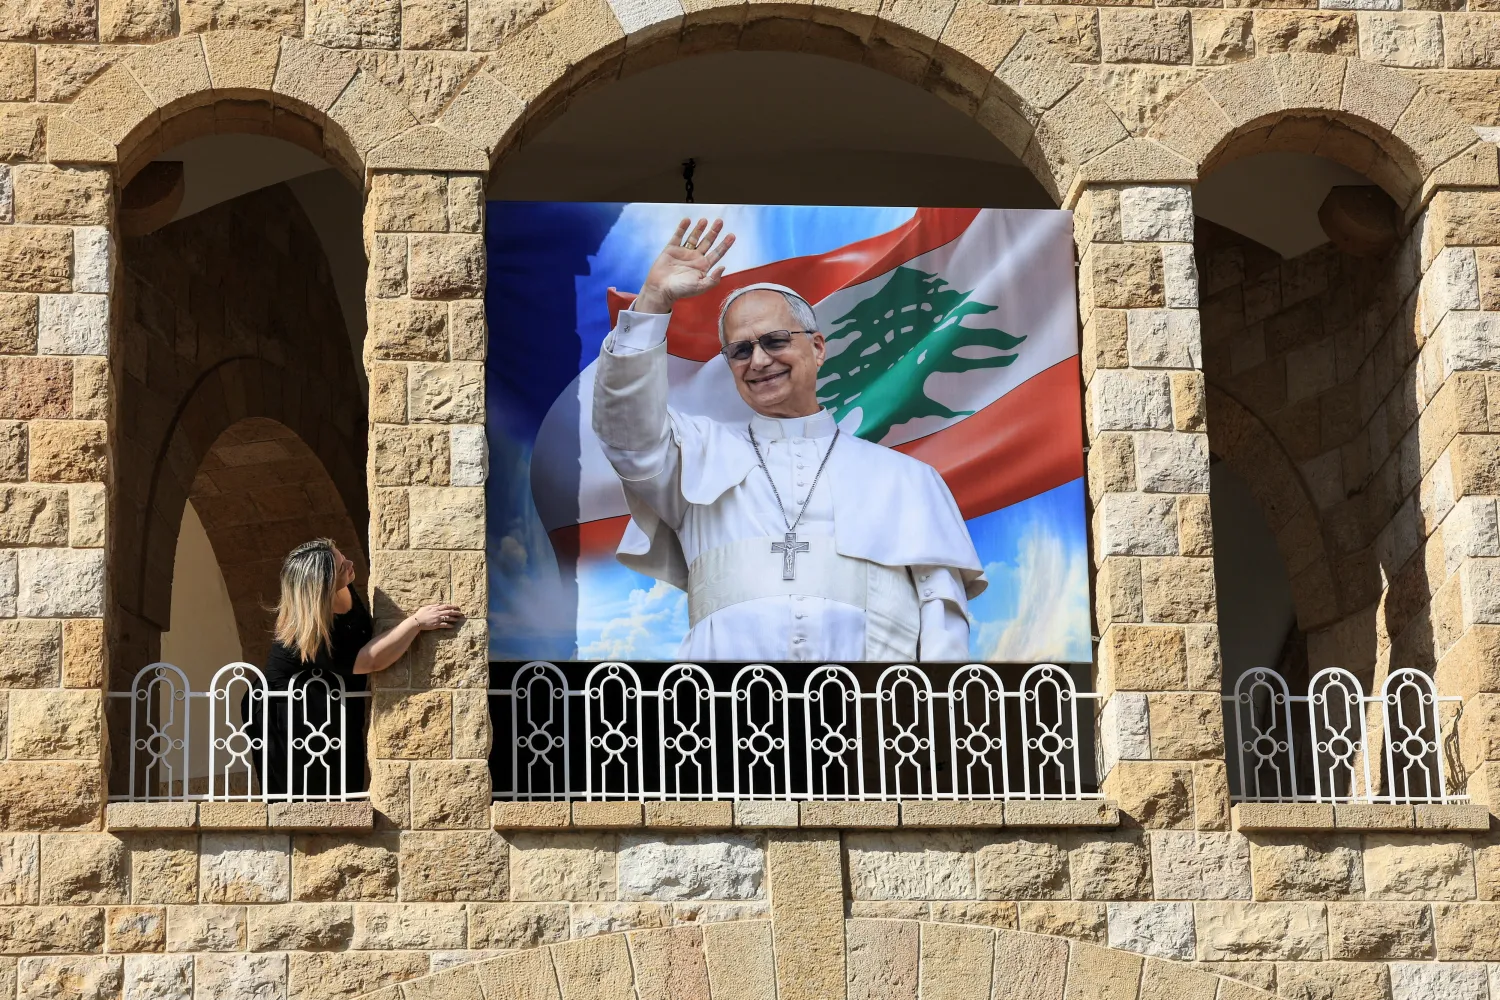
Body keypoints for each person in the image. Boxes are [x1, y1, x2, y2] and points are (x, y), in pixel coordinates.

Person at [592, 217, 986, 662]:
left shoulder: (910, 481)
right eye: (740, 350)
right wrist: (652, 303)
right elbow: (624, 430)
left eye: (775, 341)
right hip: (726, 721)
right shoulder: (695, 453)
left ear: (817, 347)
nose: (758, 360)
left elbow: (942, 619)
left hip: (872, 721)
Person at [245, 538, 461, 798]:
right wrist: (416, 622)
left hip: (328, 704)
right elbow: (369, 661)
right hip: (290, 713)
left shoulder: (342, 588)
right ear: (321, 586)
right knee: (308, 793)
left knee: (343, 782)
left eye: (342, 556)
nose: (349, 563)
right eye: (341, 566)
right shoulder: (310, 629)